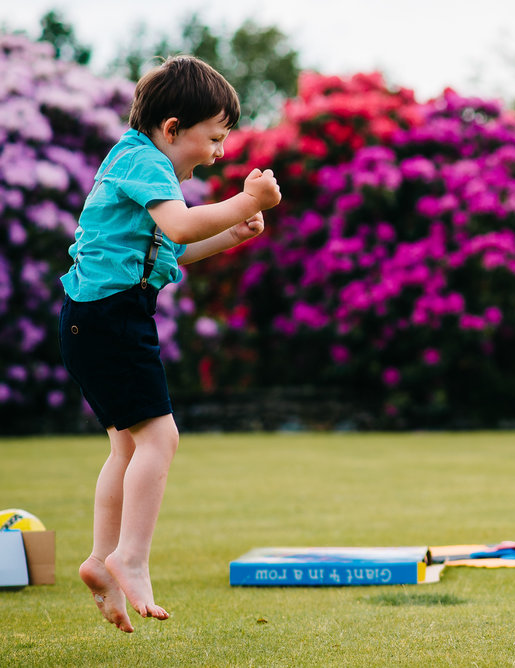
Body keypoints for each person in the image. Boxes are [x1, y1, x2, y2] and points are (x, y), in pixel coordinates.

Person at [59, 56, 280, 633]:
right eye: (213, 138)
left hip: (93, 319)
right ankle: (130, 557)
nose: (218, 154)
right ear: (173, 127)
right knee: (161, 437)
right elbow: (181, 227)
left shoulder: (134, 163)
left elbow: (170, 250)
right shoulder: (144, 159)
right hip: (112, 319)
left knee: (126, 446)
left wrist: (232, 233)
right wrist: (248, 201)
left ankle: (100, 560)